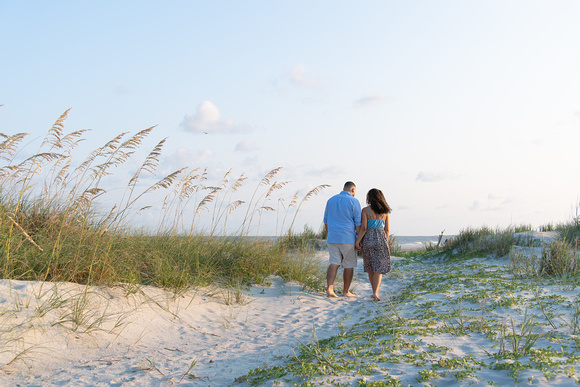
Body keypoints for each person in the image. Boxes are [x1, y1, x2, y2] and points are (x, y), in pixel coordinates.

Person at [323, 181, 362, 298]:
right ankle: (346, 291)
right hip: (348, 237)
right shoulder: (354, 201)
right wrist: (359, 240)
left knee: (333, 262)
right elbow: (358, 223)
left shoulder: (331, 200)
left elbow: (325, 220)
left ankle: (330, 288)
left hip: (333, 236)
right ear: (353, 190)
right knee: (349, 264)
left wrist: (329, 233)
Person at [355, 188, 392, 301]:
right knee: (378, 268)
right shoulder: (385, 212)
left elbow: (364, 228)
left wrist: (358, 241)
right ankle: (376, 292)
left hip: (368, 240)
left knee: (370, 267)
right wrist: (385, 241)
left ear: (369, 198)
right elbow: (387, 230)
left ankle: (373, 291)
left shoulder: (366, 210)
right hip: (381, 240)